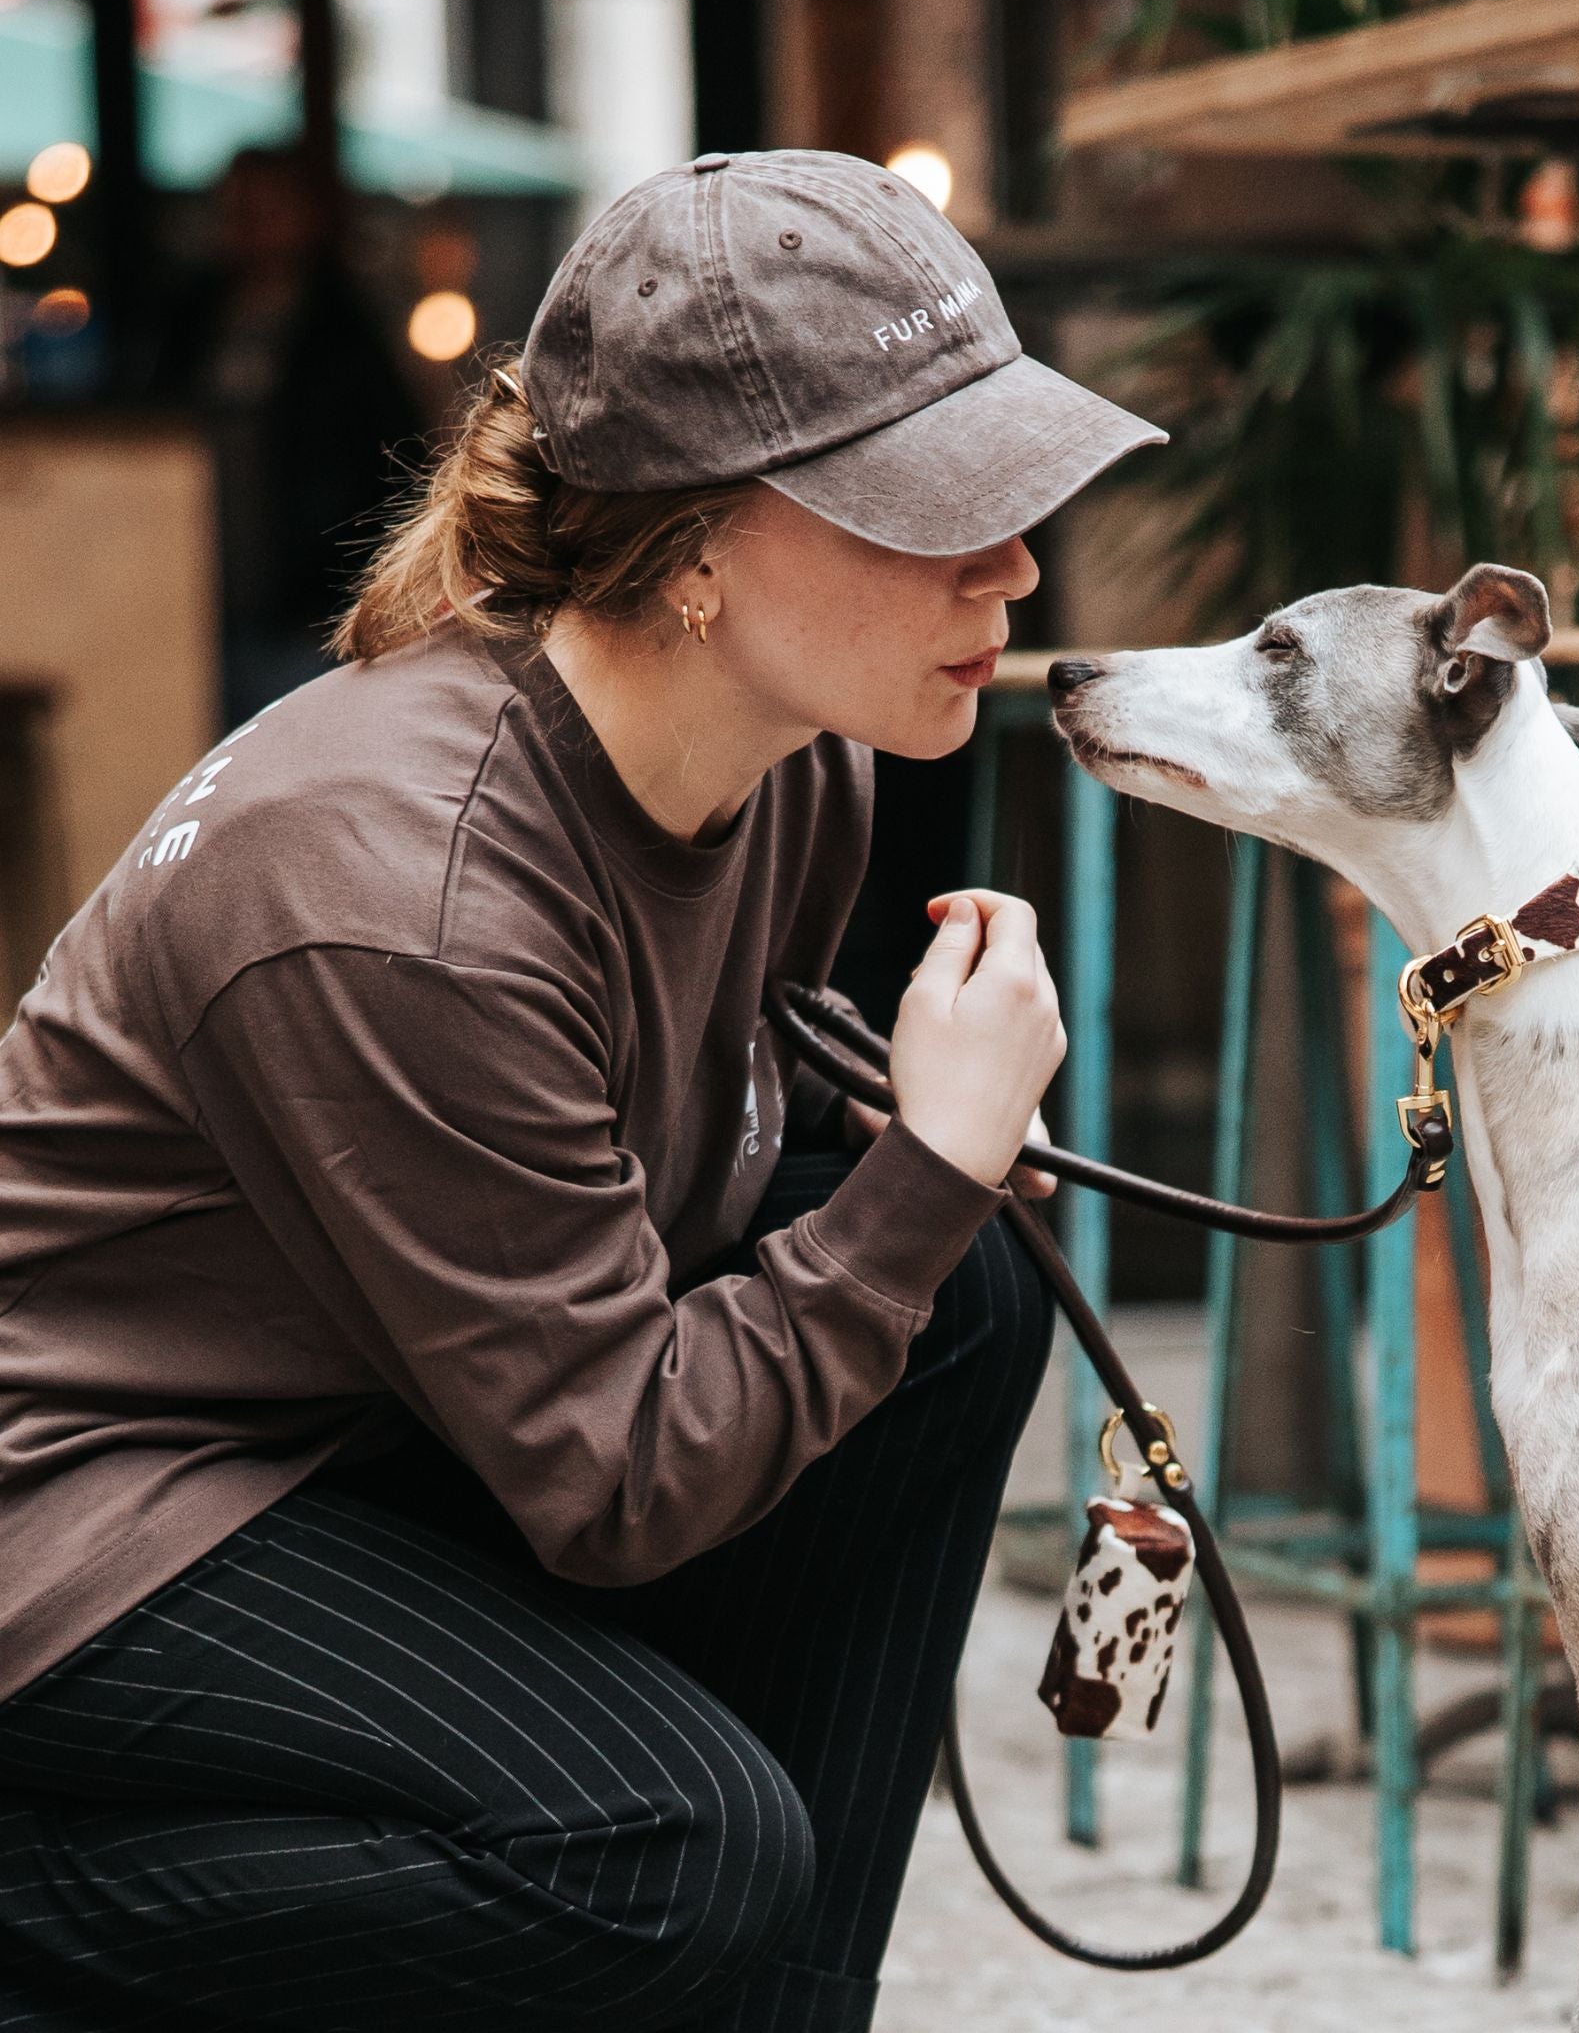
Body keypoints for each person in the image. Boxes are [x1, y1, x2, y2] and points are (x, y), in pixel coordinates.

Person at [0, 148, 1167, 2032]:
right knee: (662, 1844)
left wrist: (902, 1160)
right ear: (700, 545)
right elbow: (613, 1481)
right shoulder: (401, 901)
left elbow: (679, 1188)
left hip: (383, 1409)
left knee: (957, 1294)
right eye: (932, 504)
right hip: (95, 1498)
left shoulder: (793, 761)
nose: (1015, 563)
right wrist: (918, 1168)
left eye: (1010, 486)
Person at [152, 144, 427, 732]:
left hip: (307, 607)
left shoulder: (345, 332)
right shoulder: (189, 322)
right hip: (193, 590)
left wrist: (349, 591)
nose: (249, 221)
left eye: (267, 205)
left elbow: (397, 471)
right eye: (236, 206)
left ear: (306, 215)